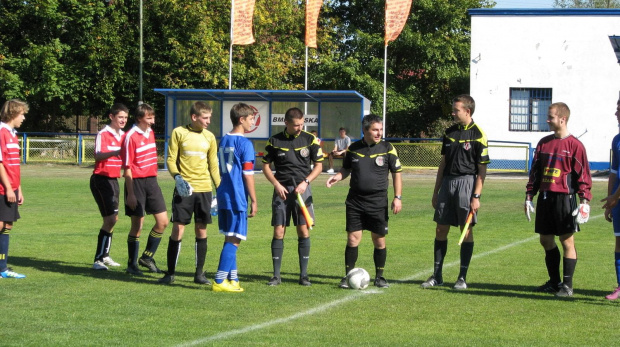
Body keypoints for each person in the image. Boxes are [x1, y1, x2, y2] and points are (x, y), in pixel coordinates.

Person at [421, 94, 489, 291]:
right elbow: (443, 163)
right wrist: (436, 191)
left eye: (456, 110)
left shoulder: (478, 134)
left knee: (465, 230)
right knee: (440, 229)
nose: (452, 113)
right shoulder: (449, 132)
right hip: (448, 184)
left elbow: (482, 169)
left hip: (467, 183)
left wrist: (476, 196)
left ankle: (462, 277)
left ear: (467, 111)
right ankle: (437, 275)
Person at [326, 114, 402, 289]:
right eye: (375, 130)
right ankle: (348, 276)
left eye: (380, 129)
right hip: (355, 201)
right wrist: (337, 177)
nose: (379, 133)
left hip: (378, 201)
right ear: (365, 130)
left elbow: (397, 174)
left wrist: (398, 197)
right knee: (353, 239)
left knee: (379, 240)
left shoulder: (388, 148)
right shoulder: (353, 149)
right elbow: (346, 169)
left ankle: (380, 277)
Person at [524, 102, 592, 297]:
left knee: (566, 240)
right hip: (546, 198)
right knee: (545, 240)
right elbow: (535, 173)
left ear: (562, 119)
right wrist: (529, 196)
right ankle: (555, 282)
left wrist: (584, 202)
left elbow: (583, 176)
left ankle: (567, 287)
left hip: (565, 198)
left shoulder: (575, 146)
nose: (547, 120)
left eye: (551, 117)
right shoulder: (543, 143)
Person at [158, 102, 221, 285]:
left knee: (201, 228)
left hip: (204, 190)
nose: (209, 121)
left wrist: (219, 188)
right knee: (178, 228)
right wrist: (177, 177)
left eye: (210, 117)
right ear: (194, 117)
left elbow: (213, 165)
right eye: (205, 118)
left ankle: (199, 274)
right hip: (184, 190)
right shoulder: (178, 133)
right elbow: (170, 159)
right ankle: (170, 274)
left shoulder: (209, 137)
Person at [262, 108, 324, 286]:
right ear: (286, 123)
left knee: (303, 230)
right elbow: (266, 166)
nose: (300, 127)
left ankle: (303, 275)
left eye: (302, 124)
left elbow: (318, 166)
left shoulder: (309, 139)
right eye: (296, 125)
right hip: (282, 191)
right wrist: (276, 184)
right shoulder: (274, 141)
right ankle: (276, 276)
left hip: (302, 191)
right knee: (279, 231)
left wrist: (305, 182)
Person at [212, 103, 258, 292]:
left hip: (223, 194)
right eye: (251, 119)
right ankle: (219, 281)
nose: (253, 122)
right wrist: (254, 200)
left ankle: (234, 279)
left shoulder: (223, 139)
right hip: (237, 196)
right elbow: (248, 175)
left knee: (230, 236)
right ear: (241, 119)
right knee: (235, 239)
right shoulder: (245, 143)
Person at [121, 103, 169, 275]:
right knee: (137, 225)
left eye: (153, 117)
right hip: (136, 183)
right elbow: (127, 168)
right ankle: (131, 265)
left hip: (152, 182)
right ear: (139, 118)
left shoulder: (150, 133)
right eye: (149, 118)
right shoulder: (130, 136)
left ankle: (147, 257)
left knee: (163, 221)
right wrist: (131, 194)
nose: (152, 121)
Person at [90, 103, 128, 270]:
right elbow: (98, 155)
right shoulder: (103, 134)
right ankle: (98, 259)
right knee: (110, 219)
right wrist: (114, 152)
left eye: (126, 118)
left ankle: (105, 255)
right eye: (120, 117)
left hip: (114, 180)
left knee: (113, 219)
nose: (123, 120)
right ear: (111, 117)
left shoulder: (125, 135)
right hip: (101, 180)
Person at [0, 99, 27, 279]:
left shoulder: (13, 133)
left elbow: (14, 165)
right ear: (13, 113)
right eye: (22, 114)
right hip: (3, 188)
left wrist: (19, 190)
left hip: (12, 188)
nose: (23, 118)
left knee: (7, 225)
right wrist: (9, 189)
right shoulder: (1, 132)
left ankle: (2, 267)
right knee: (1, 224)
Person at [600, 99, 620, 300]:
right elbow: (614, 171)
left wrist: (616, 196)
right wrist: (610, 200)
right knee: (619, 242)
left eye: (619, 110)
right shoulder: (616, 139)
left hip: (618, 197)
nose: (616, 114)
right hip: (617, 200)